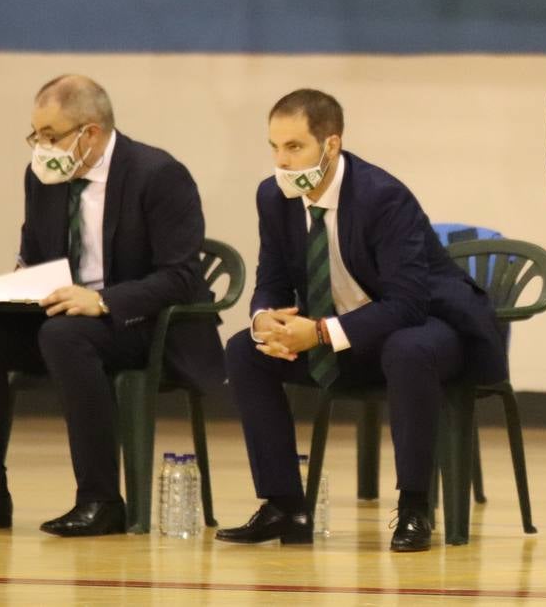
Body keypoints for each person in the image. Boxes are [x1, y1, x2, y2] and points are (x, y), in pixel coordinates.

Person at [0, 75, 220, 536]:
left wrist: (102, 300)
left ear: (91, 133)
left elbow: (180, 277)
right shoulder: (43, 176)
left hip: (142, 321)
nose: (41, 148)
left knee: (63, 335)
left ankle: (101, 500)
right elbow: (35, 251)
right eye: (35, 135)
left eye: (50, 136)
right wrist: (20, 288)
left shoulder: (158, 175)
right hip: (66, 318)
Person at [217, 89, 506, 551]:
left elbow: (408, 302)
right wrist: (264, 319)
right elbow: (271, 277)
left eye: (295, 147)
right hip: (346, 333)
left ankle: (414, 507)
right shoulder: (273, 197)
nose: (282, 161)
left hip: (429, 326)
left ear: (330, 144)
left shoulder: (382, 197)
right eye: (274, 147)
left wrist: (319, 332)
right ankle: (284, 504)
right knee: (243, 350)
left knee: (407, 348)